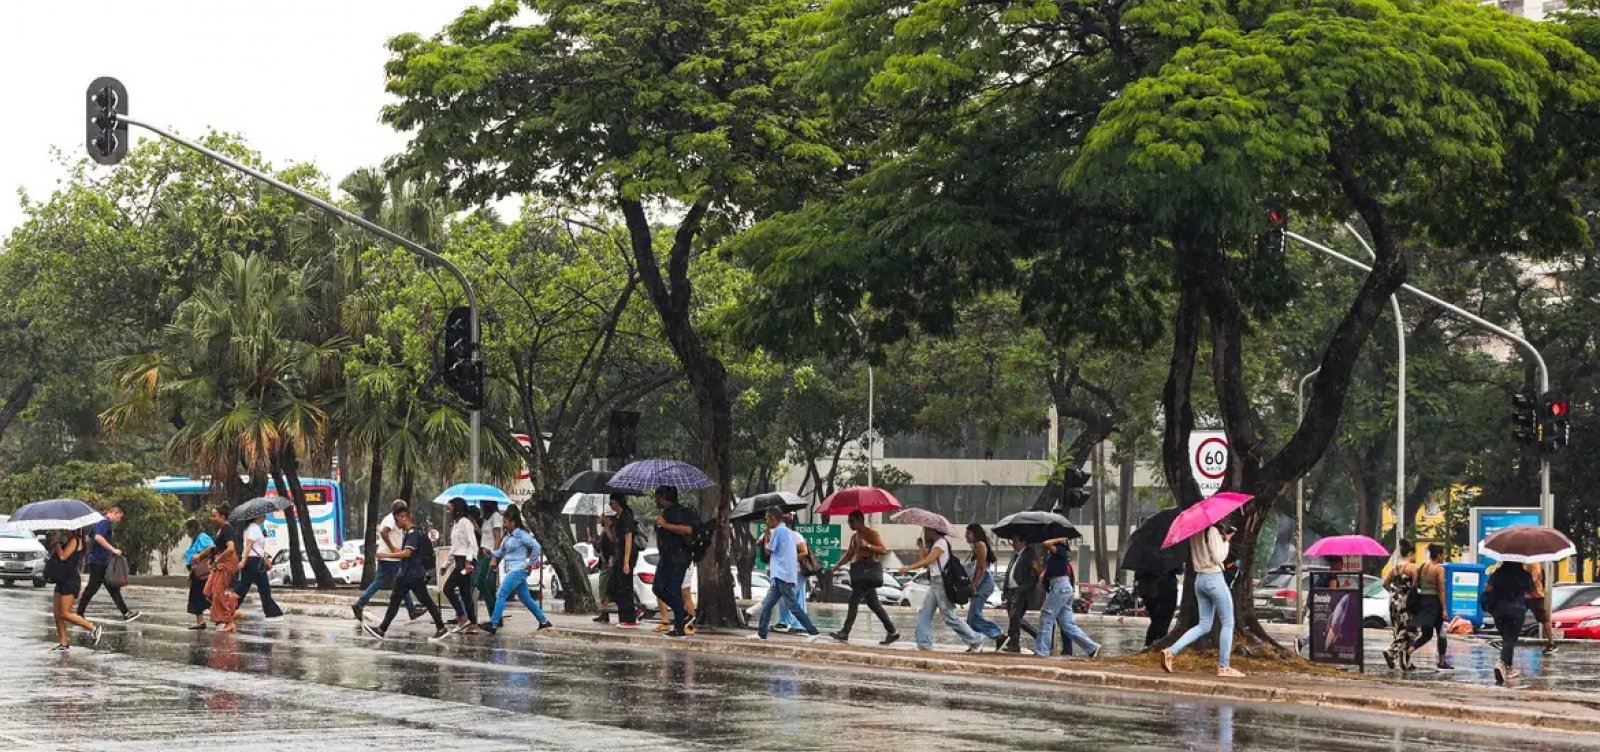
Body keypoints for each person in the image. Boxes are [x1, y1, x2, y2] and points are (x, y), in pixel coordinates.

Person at [1161, 523, 1241, 677]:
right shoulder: (1211, 531)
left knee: (1204, 625)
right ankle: (1224, 667)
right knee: (1228, 622)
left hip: (1200, 580)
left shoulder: (1195, 531)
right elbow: (1219, 557)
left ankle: (1171, 651)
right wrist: (1227, 541)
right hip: (1214, 578)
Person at [362, 505, 449, 641]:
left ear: (404, 517)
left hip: (411, 574)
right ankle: (382, 629)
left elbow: (407, 553)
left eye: (397, 521)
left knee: (411, 600)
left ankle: (441, 628)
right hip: (411, 573)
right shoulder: (414, 532)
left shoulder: (413, 533)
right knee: (398, 600)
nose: (396, 524)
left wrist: (385, 555)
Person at [898, 527, 985, 652]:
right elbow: (926, 563)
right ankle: (924, 643)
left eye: (926, 530)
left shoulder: (941, 543)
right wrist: (921, 547)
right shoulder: (935, 544)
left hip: (941, 584)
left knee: (949, 616)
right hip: (934, 583)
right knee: (924, 613)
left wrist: (907, 568)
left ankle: (976, 639)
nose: (925, 533)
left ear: (933, 531)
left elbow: (928, 560)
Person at [827, 510, 899, 645]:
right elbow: (849, 554)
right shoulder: (855, 537)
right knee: (873, 604)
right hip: (861, 573)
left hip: (868, 571)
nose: (850, 524)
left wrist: (868, 546)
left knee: (853, 601)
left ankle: (845, 632)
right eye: (849, 521)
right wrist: (837, 566)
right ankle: (892, 631)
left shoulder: (871, 533)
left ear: (860, 520)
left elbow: (882, 549)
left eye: (852, 521)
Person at [481, 505, 555, 634]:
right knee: (526, 599)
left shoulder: (522, 535)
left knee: (501, 593)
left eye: (505, 522)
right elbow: (501, 553)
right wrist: (491, 553)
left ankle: (493, 624)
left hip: (518, 569)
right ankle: (544, 622)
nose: (503, 525)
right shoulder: (508, 537)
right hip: (512, 570)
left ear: (513, 522)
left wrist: (530, 564)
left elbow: (536, 547)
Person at [750, 507, 821, 640]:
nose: (766, 521)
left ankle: (813, 632)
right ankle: (761, 633)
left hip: (782, 575)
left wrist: (766, 535)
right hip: (780, 575)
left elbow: (768, 551)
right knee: (768, 605)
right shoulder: (787, 532)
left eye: (767, 518)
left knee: (793, 606)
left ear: (773, 518)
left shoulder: (779, 531)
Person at [352, 500, 421, 623]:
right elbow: (383, 532)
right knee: (397, 581)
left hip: (390, 557)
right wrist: (393, 548)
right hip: (389, 558)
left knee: (396, 582)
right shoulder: (391, 519)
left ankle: (411, 610)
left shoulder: (393, 519)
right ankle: (360, 604)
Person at [1034, 536, 1101, 659]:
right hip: (1061, 586)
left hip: (1060, 587)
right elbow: (1047, 575)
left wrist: (1059, 540)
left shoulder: (1060, 549)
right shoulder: (1055, 557)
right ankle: (1091, 647)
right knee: (1066, 623)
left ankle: (1042, 650)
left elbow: (1045, 543)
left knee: (1046, 616)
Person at [77, 504, 140, 622]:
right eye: (120, 517)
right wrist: (112, 549)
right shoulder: (104, 522)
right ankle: (79, 613)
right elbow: (97, 537)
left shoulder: (99, 522)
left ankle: (126, 613)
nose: (119, 520)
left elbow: (88, 537)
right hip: (98, 561)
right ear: (115, 513)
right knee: (92, 587)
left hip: (100, 560)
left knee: (112, 588)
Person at [651, 486, 698, 637]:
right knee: (658, 588)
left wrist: (665, 525)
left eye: (657, 497)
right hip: (667, 557)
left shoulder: (680, 512)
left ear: (664, 497)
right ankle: (682, 614)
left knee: (673, 590)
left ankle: (679, 627)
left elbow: (688, 530)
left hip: (678, 557)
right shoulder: (666, 513)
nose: (655, 500)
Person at [46, 530, 101, 651]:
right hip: (62, 578)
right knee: (57, 613)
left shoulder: (75, 540)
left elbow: (63, 556)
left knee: (65, 613)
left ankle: (93, 628)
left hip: (70, 581)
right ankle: (63, 642)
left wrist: (57, 544)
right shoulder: (69, 540)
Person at [1483, 560, 1536, 685]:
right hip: (1516, 611)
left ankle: (1508, 668)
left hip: (1498, 610)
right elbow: (1533, 593)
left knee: (1507, 639)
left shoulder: (1498, 572)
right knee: (1510, 640)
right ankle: (1501, 663)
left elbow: (1488, 588)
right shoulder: (1524, 574)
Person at [1407, 543, 1453, 670]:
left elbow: (1416, 584)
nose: (1444, 556)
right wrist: (1444, 609)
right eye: (1443, 554)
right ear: (1438, 555)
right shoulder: (1439, 569)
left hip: (1423, 602)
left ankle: (1409, 651)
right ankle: (1442, 661)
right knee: (1442, 634)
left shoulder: (1422, 567)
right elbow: (1441, 590)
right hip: (1435, 603)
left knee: (1426, 635)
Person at [233, 511, 284, 622]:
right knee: (247, 587)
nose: (264, 516)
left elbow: (254, 546)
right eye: (262, 514)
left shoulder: (252, 528)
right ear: (257, 517)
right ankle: (229, 608)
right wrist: (243, 561)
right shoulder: (253, 528)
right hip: (253, 561)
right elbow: (248, 546)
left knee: (259, 587)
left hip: (255, 561)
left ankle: (272, 612)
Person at [443, 498, 480, 634]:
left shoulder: (465, 523)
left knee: (448, 588)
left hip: (465, 561)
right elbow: (455, 547)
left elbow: (473, 544)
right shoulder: (456, 524)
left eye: (450, 508)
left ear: (457, 509)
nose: (449, 511)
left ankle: (462, 617)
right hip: (459, 560)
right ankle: (473, 623)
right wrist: (446, 564)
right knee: (465, 593)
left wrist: (469, 561)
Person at [1381, 540, 1420, 671]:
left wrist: (1395, 593)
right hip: (1407, 603)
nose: (1415, 557)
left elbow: (1385, 584)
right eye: (1414, 555)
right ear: (1410, 554)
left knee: (1398, 630)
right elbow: (1415, 586)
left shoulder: (1395, 568)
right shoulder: (1412, 568)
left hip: (1394, 602)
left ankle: (1405, 663)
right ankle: (1391, 652)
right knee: (1410, 631)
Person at [964, 523, 1005, 646]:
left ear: (975, 534)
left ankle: (999, 634)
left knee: (975, 615)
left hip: (984, 583)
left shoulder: (980, 545)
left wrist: (975, 584)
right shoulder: (975, 548)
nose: (966, 536)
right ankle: (975, 643)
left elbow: (980, 568)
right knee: (971, 618)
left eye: (968, 533)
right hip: (981, 582)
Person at [999, 538, 1041, 653]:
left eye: (1016, 541)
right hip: (1011, 590)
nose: (1013, 543)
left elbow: (1037, 571)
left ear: (1023, 542)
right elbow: (1009, 573)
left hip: (1021, 591)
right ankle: (1036, 634)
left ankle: (1014, 643)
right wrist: (1005, 591)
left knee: (1015, 616)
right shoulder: (1015, 556)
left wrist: (1026, 586)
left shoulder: (1030, 554)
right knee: (1015, 618)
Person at [205, 505, 242, 631]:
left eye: (214, 516)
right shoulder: (220, 529)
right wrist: (211, 560)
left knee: (217, 593)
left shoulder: (227, 529)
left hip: (226, 564)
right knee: (208, 591)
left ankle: (229, 621)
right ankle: (231, 610)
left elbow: (230, 549)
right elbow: (218, 548)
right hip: (218, 563)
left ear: (223, 516)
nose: (212, 518)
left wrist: (218, 559)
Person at [609, 495, 641, 628]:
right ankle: (626, 615)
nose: (610, 506)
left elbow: (628, 539)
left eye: (611, 502)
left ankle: (629, 618)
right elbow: (614, 539)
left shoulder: (627, 517)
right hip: (619, 554)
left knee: (625, 586)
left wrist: (626, 561)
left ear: (617, 502)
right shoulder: (618, 518)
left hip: (627, 555)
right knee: (614, 586)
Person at [773, 513, 808, 633]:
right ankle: (792, 623)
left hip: (797, 572)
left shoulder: (795, 536)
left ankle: (791, 623)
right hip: (785, 572)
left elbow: (804, 552)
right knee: (794, 597)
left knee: (788, 596)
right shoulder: (776, 535)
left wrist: (790, 559)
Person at [1135, 566, 1180, 648]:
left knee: (1156, 620)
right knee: (1163, 621)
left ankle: (1149, 644)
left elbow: (1138, 574)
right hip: (1166, 590)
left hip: (1148, 591)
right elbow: (1179, 570)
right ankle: (1157, 644)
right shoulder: (1171, 555)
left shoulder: (1144, 556)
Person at [182, 519, 214, 630]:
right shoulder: (196, 539)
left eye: (188, 529)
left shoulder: (202, 537)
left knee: (207, 597)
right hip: (196, 574)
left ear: (193, 529)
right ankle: (200, 622)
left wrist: (200, 555)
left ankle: (223, 618)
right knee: (196, 598)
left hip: (203, 575)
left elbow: (211, 548)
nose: (187, 532)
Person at [476, 499, 503, 618]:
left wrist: (494, 557)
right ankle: (495, 617)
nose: (481, 506)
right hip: (483, 551)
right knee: (490, 586)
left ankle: (495, 613)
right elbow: (485, 536)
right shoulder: (486, 519)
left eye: (482, 504)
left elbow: (497, 538)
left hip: (490, 553)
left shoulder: (496, 516)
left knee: (480, 581)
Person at [1525, 561, 1558, 655]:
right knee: (1515, 617)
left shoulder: (1534, 562)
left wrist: (1523, 584)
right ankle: (1508, 642)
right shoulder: (1521, 562)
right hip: (1524, 595)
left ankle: (1551, 642)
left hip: (1536, 595)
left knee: (1544, 618)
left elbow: (1535, 578)